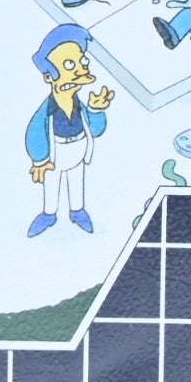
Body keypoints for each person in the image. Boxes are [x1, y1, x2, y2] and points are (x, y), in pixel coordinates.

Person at [23, 24, 113, 236]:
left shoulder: (80, 105)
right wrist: (40, 160)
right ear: (49, 76)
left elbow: (96, 130)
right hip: (55, 154)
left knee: (76, 181)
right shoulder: (47, 110)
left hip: (79, 149)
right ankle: (48, 214)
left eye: (82, 61)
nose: (81, 69)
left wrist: (96, 110)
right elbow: (34, 133)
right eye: (70, 64)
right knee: (51, 185)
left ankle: (77, 211)